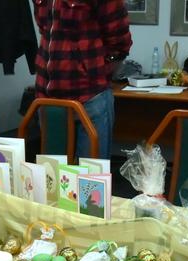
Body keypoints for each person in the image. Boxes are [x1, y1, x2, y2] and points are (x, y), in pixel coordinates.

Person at [32, 0, 132, 160]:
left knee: (91, 173)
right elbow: (45, 28)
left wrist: (94, 72)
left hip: (90, 97)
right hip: (48, 100)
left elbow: (119, 41)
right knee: (52, 172)